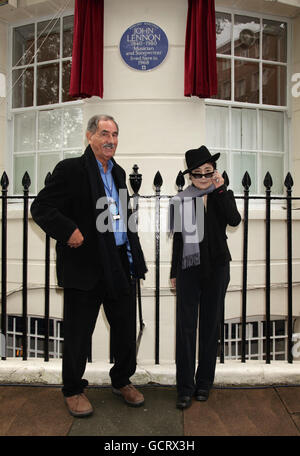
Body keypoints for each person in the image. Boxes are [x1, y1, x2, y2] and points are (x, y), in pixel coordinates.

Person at [31, 115, 147, 417]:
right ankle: (72, 389)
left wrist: (134, 254)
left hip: (119, 262)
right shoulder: (71, 170)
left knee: (124, 328)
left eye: (115, 134)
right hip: (85, 266)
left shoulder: (119, 173)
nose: (111, 139)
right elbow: (40, 207)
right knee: (79, 333)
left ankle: (121, 380)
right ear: (90, 136)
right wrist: (68, 229)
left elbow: (122, 215)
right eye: (104, 133)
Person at [170, 145, 241, 409]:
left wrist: (220, 189)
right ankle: (185, 388)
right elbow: (178, 239)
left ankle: (204, 383)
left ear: (215, 171)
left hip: (218, 267)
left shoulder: (224, 194)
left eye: (207, 172)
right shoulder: (181, 200)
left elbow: (234, 220)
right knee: (186, 328)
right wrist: (174, 272)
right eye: (197, 174)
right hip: (189, 269)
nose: (203, 178)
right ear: (190, 176)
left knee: (210, 327)